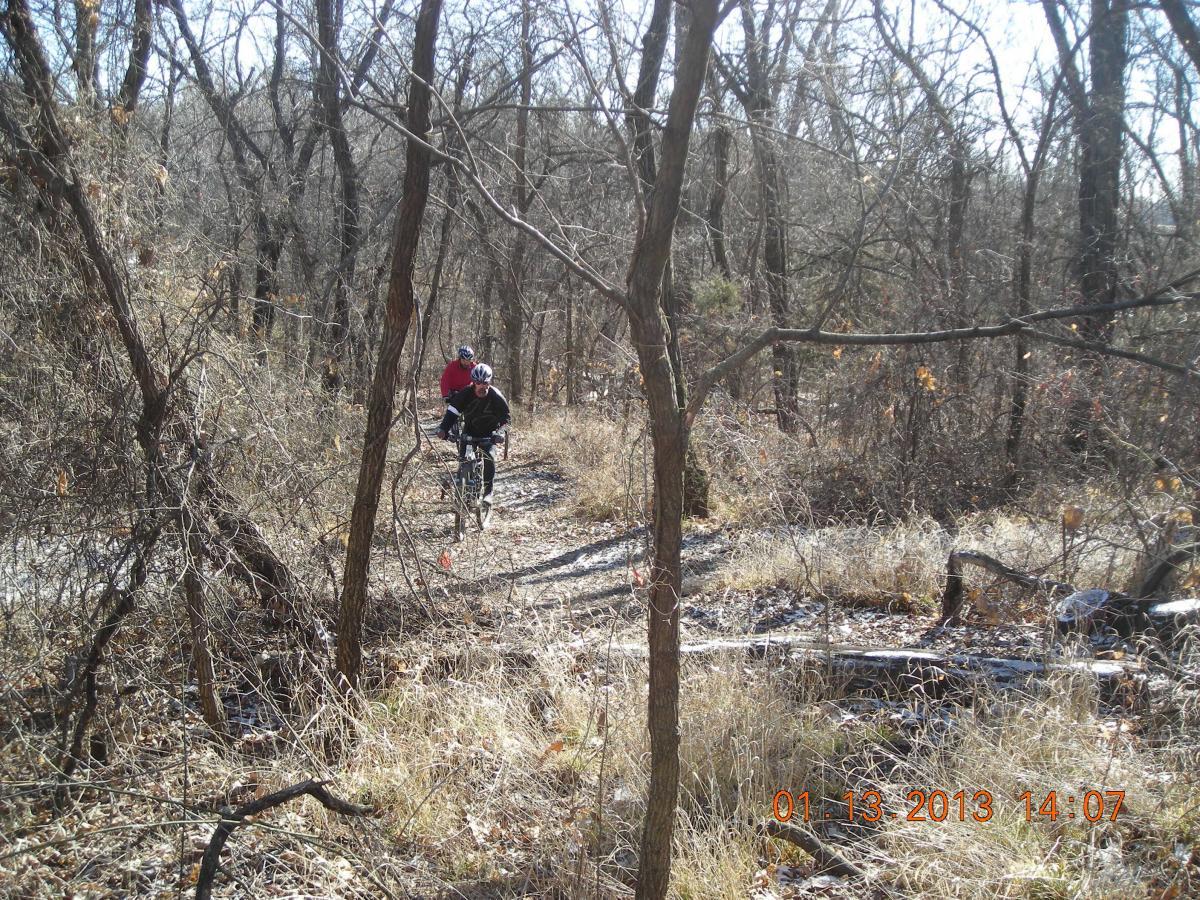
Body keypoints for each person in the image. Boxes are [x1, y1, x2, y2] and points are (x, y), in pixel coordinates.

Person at [437, 363, 509, 504]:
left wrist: (499, 433)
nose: (481, 386)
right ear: (473, 382)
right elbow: (452, 413)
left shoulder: (496, 396)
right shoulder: (465, 394)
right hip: (469, 432)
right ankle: (462, 496)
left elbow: (506, 419)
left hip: (490, 434)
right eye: (478, 383)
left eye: (485, 383)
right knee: (464, 461)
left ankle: (488, 492)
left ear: (489, 382)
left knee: (489, 458)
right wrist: (443, 429)